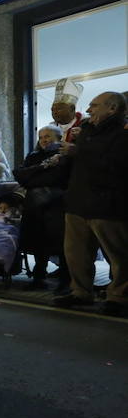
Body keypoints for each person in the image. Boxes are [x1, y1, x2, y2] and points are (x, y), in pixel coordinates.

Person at [54, 92, 128, 315]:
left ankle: (119, 296)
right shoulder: (87, 131)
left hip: (107, 204)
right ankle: (80, 292)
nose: (88, 110)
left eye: (94, 106)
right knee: (76, 253)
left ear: (112, 108)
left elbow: (117, 164)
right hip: (78, 201)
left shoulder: (122, 133)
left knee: (118, 255)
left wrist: (79, 151)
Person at [13, 125, 70, 292]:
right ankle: (39, 278)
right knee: (38, 243)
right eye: (41, 137)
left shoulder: (64, 156)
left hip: (56, 206)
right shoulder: (34, 156)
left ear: (59, 138)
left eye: (48, 137)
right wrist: (43, 167)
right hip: (34, 206)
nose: (44, 140)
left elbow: (57, 178)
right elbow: (21, 176)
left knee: (60, 244)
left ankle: (65, 282)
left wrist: (34, 177)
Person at [50, 77, 83, 144]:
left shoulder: (85, 125)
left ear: (72, 108)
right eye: (52, 110)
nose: (54, 113)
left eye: (59, 109)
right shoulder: (50, 129)